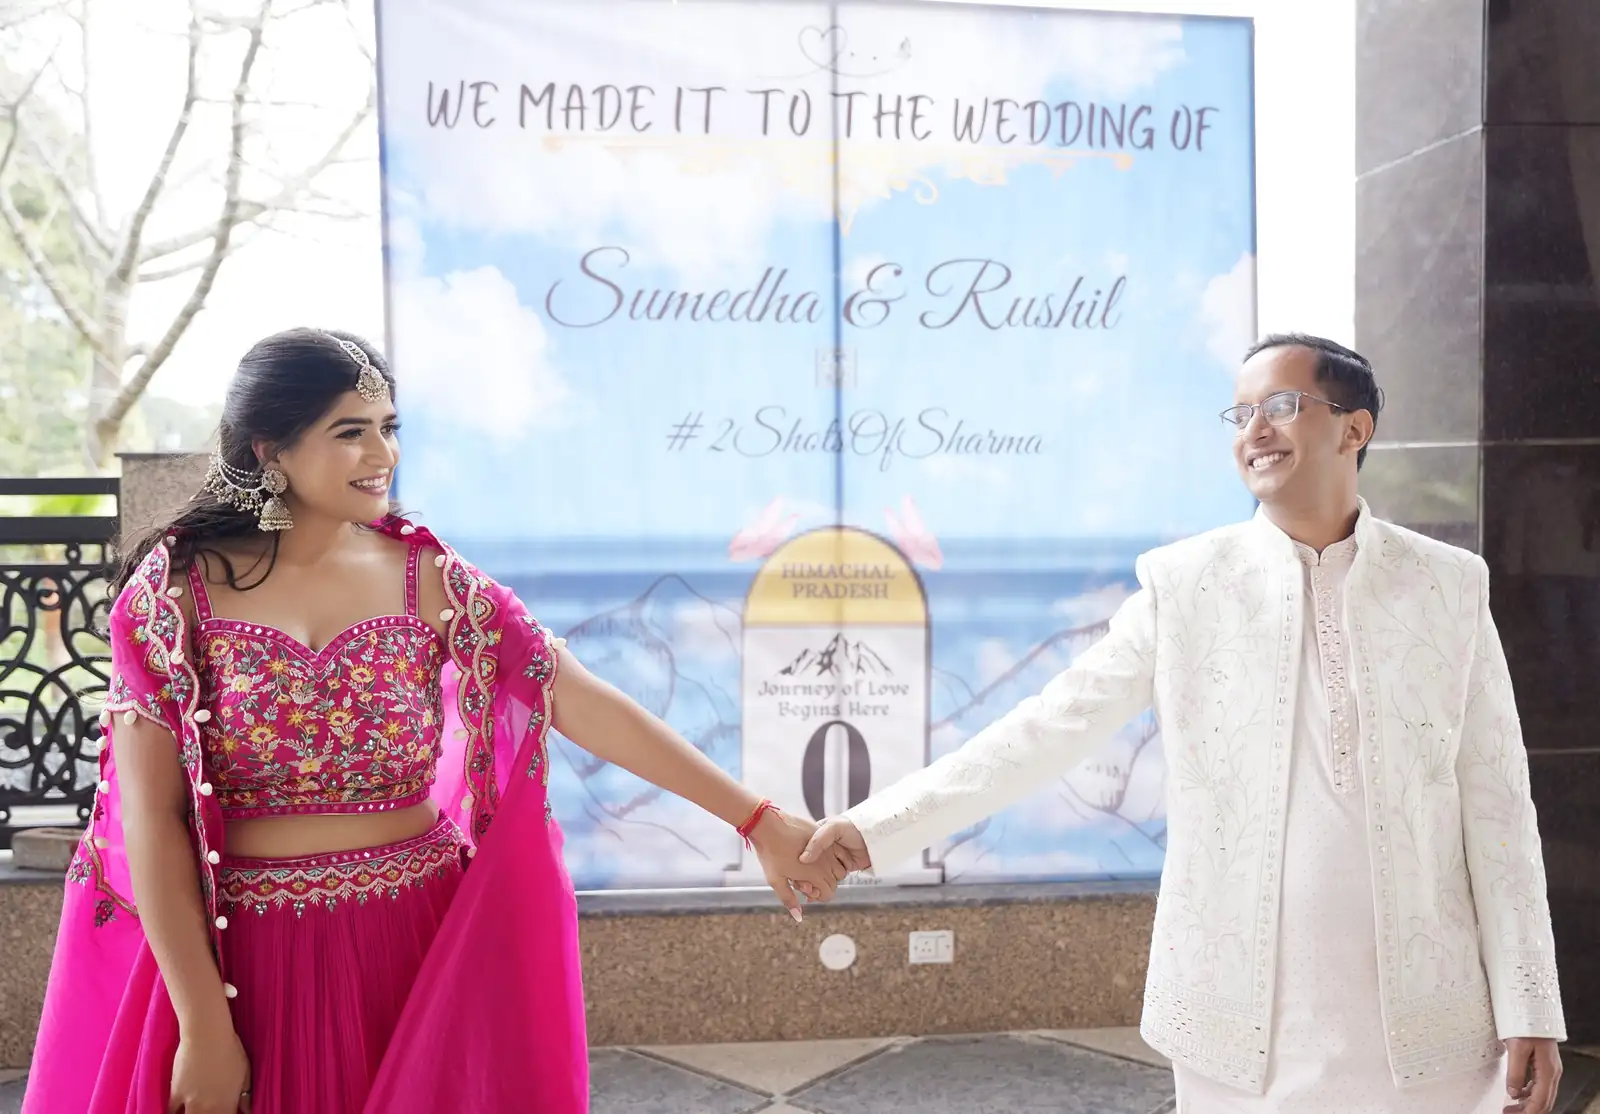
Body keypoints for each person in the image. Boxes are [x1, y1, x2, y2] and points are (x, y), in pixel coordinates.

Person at [24, 328, 848, 1114]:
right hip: (248, 959)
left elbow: (578, 699)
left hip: (416, 943)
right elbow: (154, 821)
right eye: (351, 432)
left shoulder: (429, 576)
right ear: (271, 450)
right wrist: (204, 1023)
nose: (382, 455)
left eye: (389, 428)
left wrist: (757, 819)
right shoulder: (173, 596)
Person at [802, 334, 1567, 1114]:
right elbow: (1044, 730)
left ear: (1354, 429)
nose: (1254, 430)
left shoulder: (1446, 587)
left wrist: (1530, 1002)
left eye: (1281, 405)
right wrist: (875, 827)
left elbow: (1498, 806)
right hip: (1240, 1023)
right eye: (1240, 413)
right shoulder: (1186, 586)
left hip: (1430, 1022)